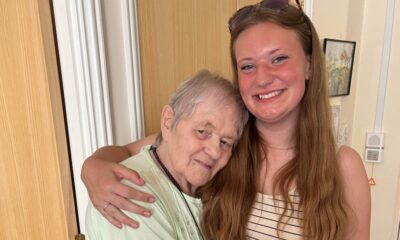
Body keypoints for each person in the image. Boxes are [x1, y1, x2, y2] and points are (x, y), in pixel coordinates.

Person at [81, 1, 371, 239]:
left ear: (309, 65)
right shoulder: (223, 145)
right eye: (248, 65)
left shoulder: (342, 166)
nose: (263, 78)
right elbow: (128, 152)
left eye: (278, 59)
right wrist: (93, 167)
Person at [85, 70, 248, 239]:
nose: (215, 152)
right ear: (168, 121)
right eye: (202, 131)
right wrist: (93, 163)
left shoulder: (193, 181)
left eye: (225, 142)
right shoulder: (131, 195)